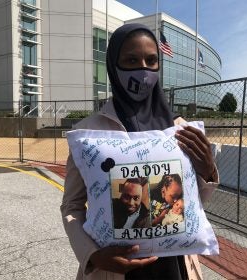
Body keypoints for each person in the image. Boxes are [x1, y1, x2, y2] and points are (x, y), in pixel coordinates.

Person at [61, 23, 219, 280]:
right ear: (113, 64)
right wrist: (92, 254)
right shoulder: (89, 133)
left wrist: (208, 171)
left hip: (174, 268)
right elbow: (72, 205)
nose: (143, 69)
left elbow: (192, 201)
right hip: (113, 270)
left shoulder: (179, 129)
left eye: (151, 60)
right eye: (131, 60)